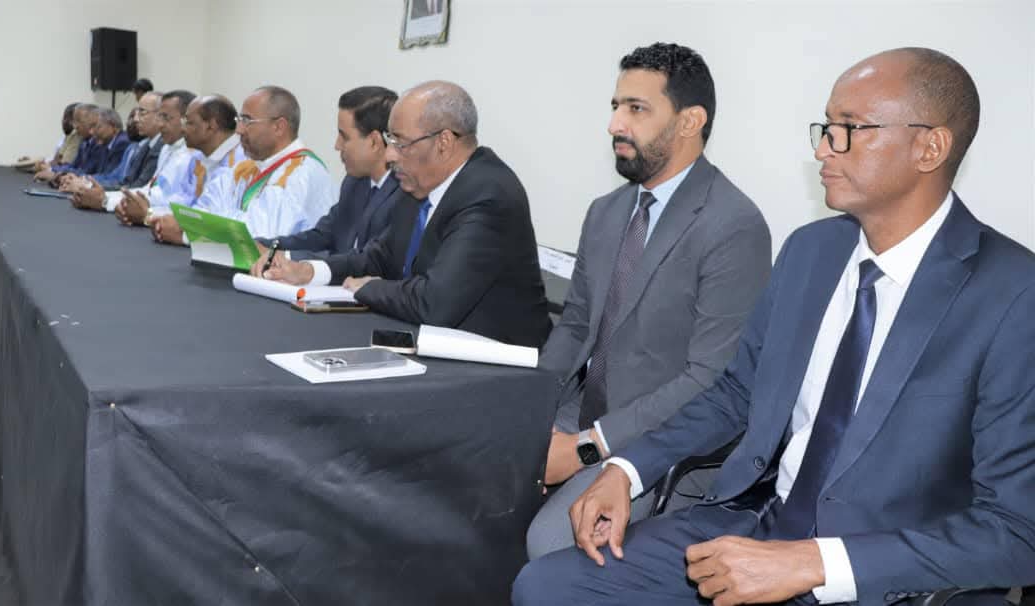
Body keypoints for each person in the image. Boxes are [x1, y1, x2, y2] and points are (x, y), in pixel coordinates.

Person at [513, 47, 1035, 606]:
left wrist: (816, 563)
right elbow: (736, 394)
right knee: (545, 587)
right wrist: (626, 468)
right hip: (758, 523)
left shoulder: (1012, 293)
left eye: (849, 129)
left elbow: (1018, 532)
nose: (822, 149)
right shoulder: (811, 251)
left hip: (882, 573)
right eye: (826, 127)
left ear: (929, 147)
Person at [526, 42, 771, 560]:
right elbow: (575, 325)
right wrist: (530, 409)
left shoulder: (733, 225)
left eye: (636, 109)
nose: (615, 124)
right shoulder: (606, 211)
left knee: (549, 543)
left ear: (690, 121)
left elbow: (708, 380)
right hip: (578, 411)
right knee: (464, 475)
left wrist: (585, 447)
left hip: (654, 442)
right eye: (616, 106)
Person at [255, 81, 551, 348]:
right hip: (429, 342)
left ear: (444, 143)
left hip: (499, 363)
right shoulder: (418, 185)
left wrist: (370, 287)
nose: (389, 154)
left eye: (400, 142)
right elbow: (379, 258)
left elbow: (435, 303)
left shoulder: (488, 194)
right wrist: (308, 270)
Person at [252, 86, 400, 259]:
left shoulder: (403, 194)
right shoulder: (354, 183)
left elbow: (365, 261)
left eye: (344, 137)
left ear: (374, 142)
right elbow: (321, 237)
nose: (337, 145)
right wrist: (267, 246)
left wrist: (289, 259)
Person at [175, 85, 335, 239]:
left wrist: (208, 225)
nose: (239, 130)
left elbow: (259, 234)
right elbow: (203, 211)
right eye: (239, 120)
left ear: (279, 127)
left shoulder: (301, 173)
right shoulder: (245, 168)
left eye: (247, 121)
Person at [148, 94, 247, 244]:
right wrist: (154, 215)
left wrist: (182, 232)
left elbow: (221, 218)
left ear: (211, 126)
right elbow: (185, 202)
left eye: (189, 122)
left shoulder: (240, 162)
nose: (183, 129)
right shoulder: (197, 158)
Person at [65, 92, 164, 211]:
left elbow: (136, 186)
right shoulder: (146, 145)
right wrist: (85, 184)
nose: (136, 119)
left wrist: (89, 188)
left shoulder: (158, 146)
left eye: (142, 112)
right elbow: (122, 180)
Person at [115, 89, 197, 227]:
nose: (160, 124)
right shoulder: (166, 149)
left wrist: (147, 213)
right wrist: (119, 201)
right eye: (160, 117)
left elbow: (182, 207)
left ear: (186, 120)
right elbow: (152, 190)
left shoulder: (194, 156)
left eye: (166, 118)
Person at [34, 104, 102, 182]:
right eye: (74, 121)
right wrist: (52, 169)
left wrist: (55, 173)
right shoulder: (84, 142)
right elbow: (73, 166)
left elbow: (87, 172)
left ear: (92, 122)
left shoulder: (99, 144)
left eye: (79, 121)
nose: (75, 126)